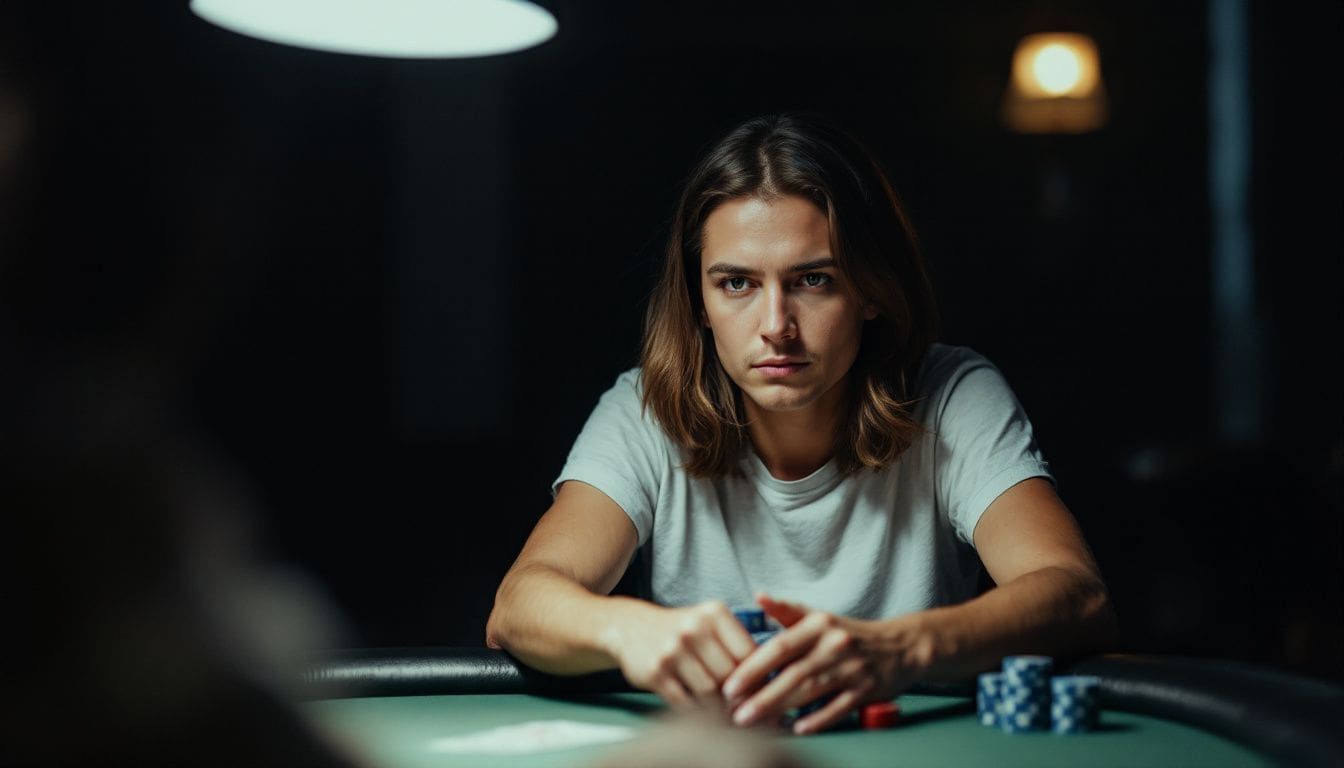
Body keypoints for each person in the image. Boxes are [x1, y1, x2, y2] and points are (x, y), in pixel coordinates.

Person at [486, 113, 1116, 735]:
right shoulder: (645, 408)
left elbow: (1076, 594)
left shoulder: (953, 393)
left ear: (871, 288)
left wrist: (899, 648)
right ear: (699, 303)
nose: (775, 326)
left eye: (813, 280)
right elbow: (519, 606)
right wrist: (630, 630)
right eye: (736, 283)